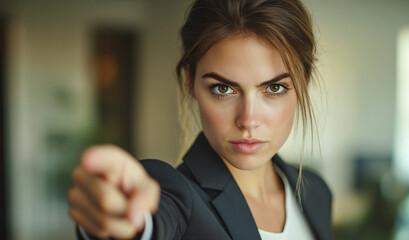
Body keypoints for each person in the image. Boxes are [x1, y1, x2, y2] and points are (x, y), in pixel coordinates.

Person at [68, 0, 333, 239]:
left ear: (303, 82)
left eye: (274, 88)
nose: (248, 120)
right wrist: (128, 220)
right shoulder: (177, 194)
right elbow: (153, 220)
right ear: (189, 82)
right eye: (223, 89)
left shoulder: (316, 192)